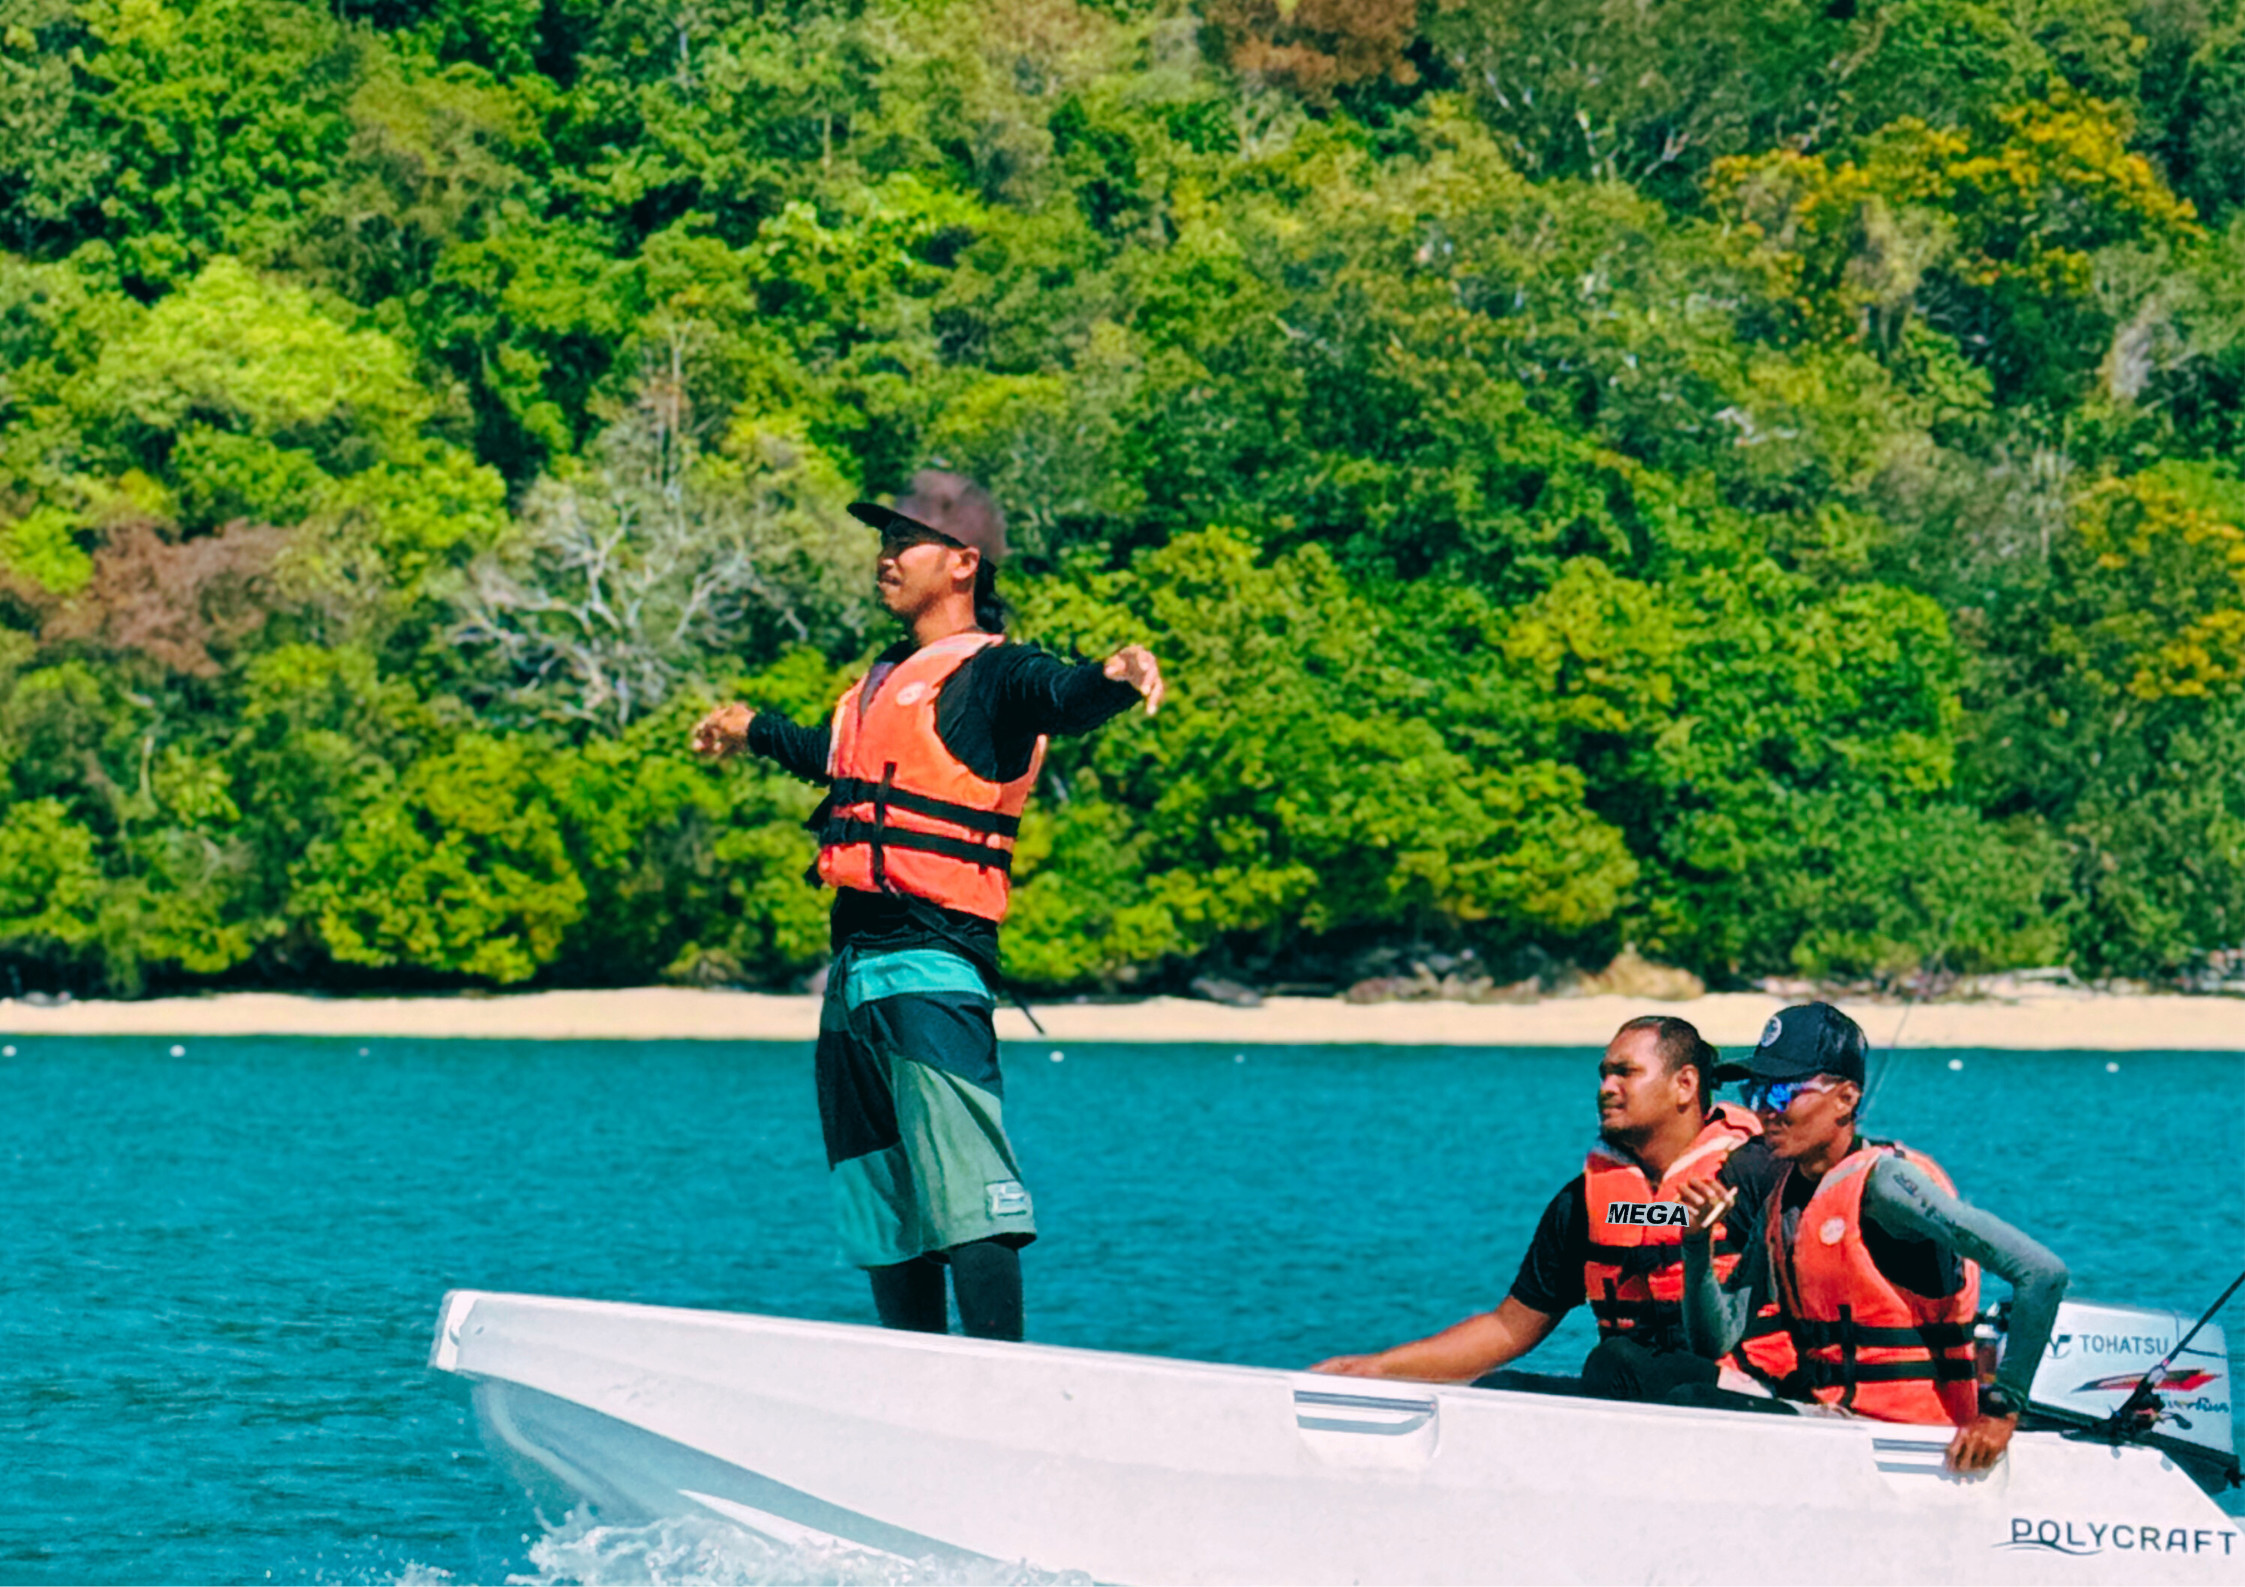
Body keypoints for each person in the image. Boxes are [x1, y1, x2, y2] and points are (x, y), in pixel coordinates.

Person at [691, 470, 1163, 1343]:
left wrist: (1116, 675)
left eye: (904, 541)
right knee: (882, 1203)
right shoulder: (880, 683)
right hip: (853, 979)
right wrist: (748, 726)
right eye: (883, 541)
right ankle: (913, 1377)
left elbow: (1064, 696)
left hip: (931, 964)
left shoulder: (997, 672)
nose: (885, 557)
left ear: (961, 563)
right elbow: (830, 758)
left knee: (968, 1193)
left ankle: (996, 1378)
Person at [1313, 1015, 1795, 1400]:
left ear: (1684, 1085)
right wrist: (1377, 1368)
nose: (1606, 1087)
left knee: (1616, 1363)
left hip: (1755, 1399)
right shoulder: (1585, 1203)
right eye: (1604, 1074)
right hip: (1639, 1392)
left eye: (1625, 1072)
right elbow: (1508, 1328)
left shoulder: (1759, 1176)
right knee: (1499, 1390)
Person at [1677, 1001, 2069, 1475]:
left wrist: (2002, 1411)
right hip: (1835, 1423)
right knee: (1639, 1372)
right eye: (1754, 1092)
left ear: (1846, 1098)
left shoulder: (1886, 1185)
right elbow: (1714, 1340)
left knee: (1689, 1399)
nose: (1764, 1111)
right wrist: (1695, 1243)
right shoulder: (1782, 1202)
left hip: (1910, 1438)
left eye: (1782, 1093)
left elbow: (2042, 1273)